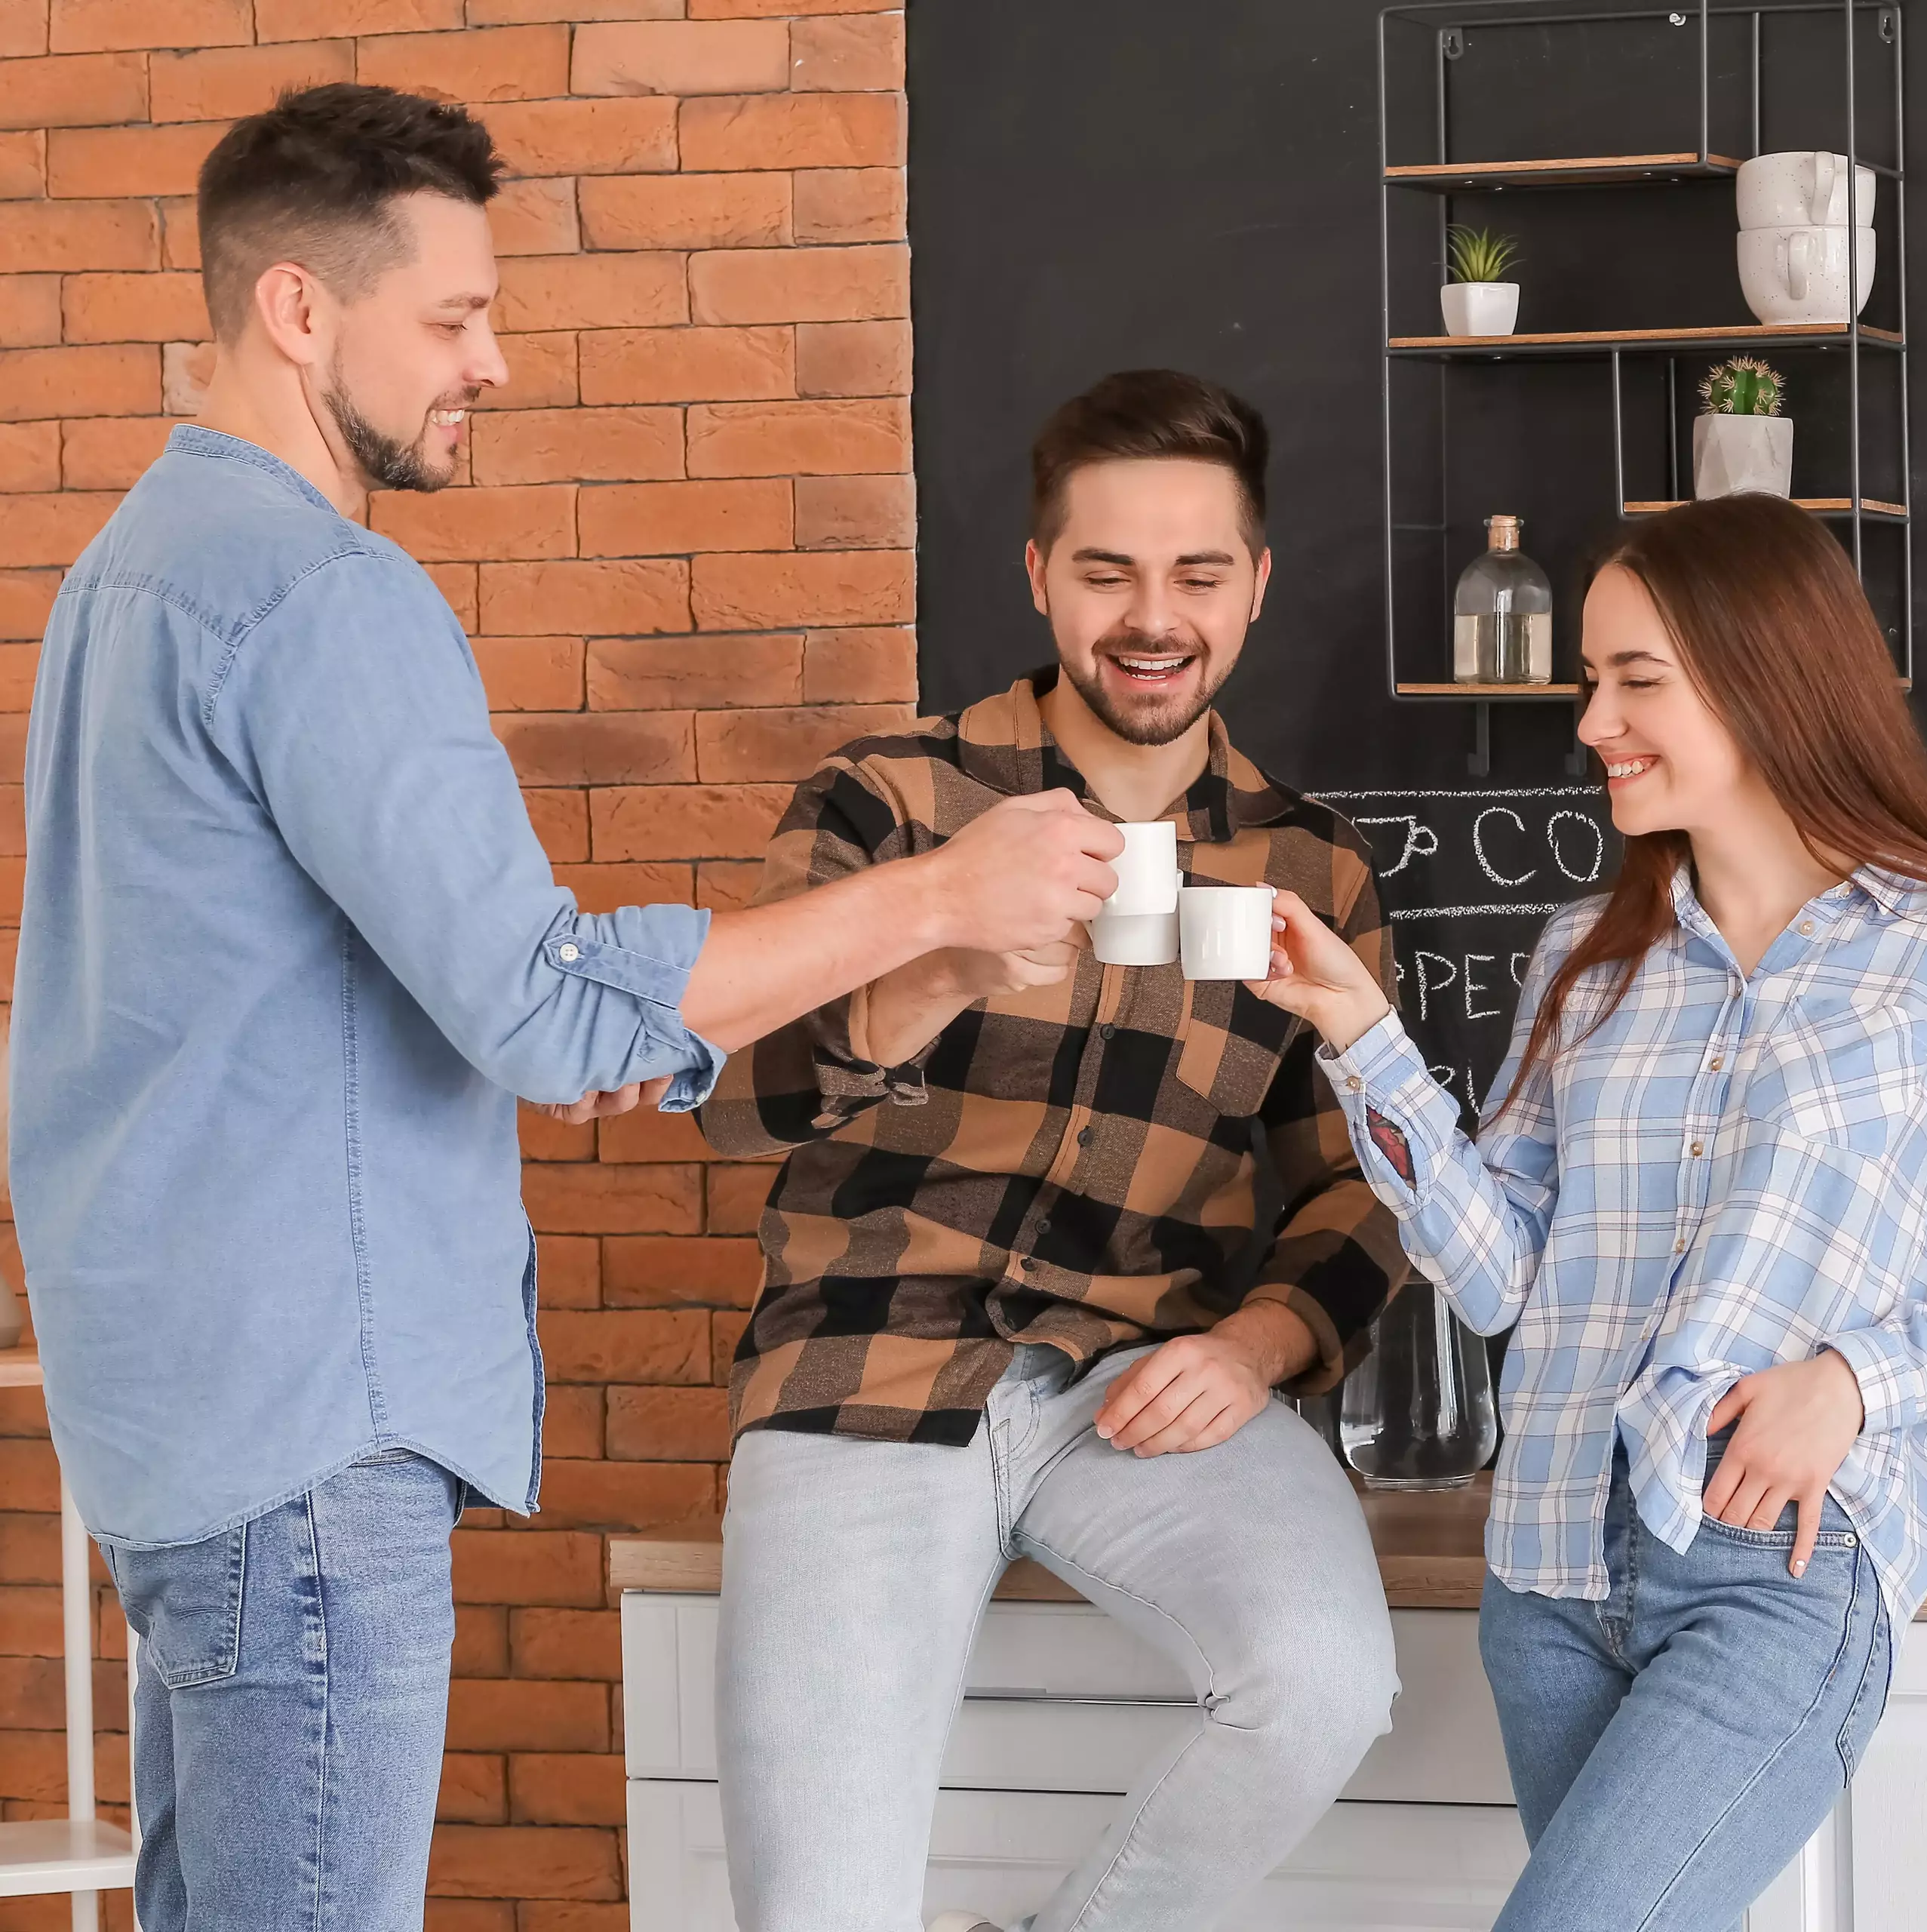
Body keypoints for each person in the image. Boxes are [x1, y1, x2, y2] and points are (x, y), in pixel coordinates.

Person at [10, 85, 1122, 1931]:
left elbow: (293, 981)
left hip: (187, 1422)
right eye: (451, 320)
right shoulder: (319, 598)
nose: (496, 362)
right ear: (300, 309)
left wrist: (544, 1019)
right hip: (309, 1435)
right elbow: (547, 1009)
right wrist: (943, 891)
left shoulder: (130, 575)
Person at [1255, 493, 1927, 1930]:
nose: (1592, 721)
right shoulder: (1586, 955)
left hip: (1778, 1570)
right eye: (1593, 680)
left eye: (1637, 680)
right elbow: (1501, 1274)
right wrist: (1361, 1035)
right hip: (1551, 1573)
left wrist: (1849, 1384)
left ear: (1772, 679)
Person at [697, 369, 1412, 1932]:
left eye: (1197, 572)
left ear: (1256, 585)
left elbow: (1366, 1181)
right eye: (1107, 571)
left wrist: (1259, 1336)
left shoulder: (1309, 864)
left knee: (1324, 1679)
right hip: (865, 1367)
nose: (1153, 615)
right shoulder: (892, 797)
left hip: (1147, 1376)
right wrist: (945, 946)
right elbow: (734, 1095)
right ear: (1038, 575)